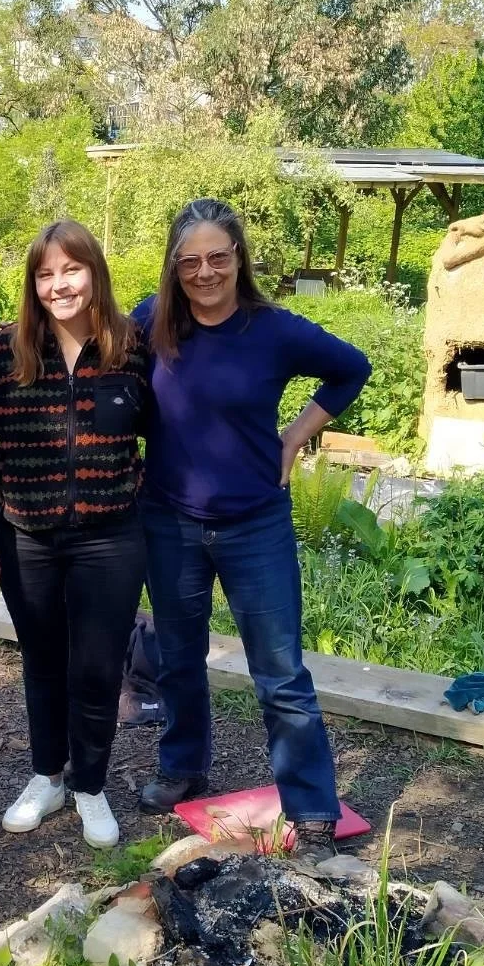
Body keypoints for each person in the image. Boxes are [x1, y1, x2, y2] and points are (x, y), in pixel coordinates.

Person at [130, 198, 371, 864]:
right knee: (178, 658)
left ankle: (313, 814)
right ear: (173, 266)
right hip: (170, 521)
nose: (205, 272)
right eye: (190, 261)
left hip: (255, 524)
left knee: (281, 673)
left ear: (239, 257)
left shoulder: (273, 330)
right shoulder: (151, 322)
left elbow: (352, 368)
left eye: (218, 257)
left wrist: (295, 436)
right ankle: (183, 766)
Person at [0, 220, 149, 849]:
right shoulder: (5, 353)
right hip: (26, 535)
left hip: (111, 537)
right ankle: (46, 777)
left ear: (95, 274)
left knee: (98, 666)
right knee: (42, 660)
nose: (59, 285)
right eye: (45, 274)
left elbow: (165, 432)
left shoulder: (132, 349)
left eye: (72, 269)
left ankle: (90, 785)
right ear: (33, 284)